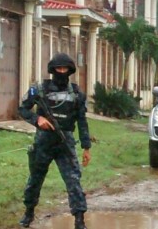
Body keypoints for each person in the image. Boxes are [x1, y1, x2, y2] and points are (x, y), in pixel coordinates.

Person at [18, 53, 91, 229]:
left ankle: (79, 219)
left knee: (73, 180)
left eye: (65, 69)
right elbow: (23, 109)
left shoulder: (77, 93)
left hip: (65, 141)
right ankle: (28, 213)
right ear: (52, 70)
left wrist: (86, 147)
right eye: (58, 69)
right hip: (44, 142)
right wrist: (38, 120)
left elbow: (82, 121)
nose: (61, 72)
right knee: (35, 179)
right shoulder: (40, 89)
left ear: (70, 70)